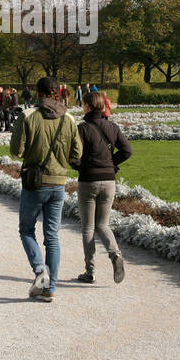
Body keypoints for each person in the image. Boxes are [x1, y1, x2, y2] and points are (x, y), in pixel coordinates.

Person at [9, 76, 82, 303]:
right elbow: (77, 154)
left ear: (37, 92)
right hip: (58, 183)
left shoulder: (28, 116)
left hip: (34, 183)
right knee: (52, 237)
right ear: (58, 92)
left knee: (27, 230)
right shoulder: (69, 119)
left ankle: (40, 269)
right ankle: (50, 288)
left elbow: (17, 151)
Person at [74, 91, 131, 285]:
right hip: (109, 181)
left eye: (83, 104)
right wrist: (110, 163)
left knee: (88, 227)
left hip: (88, 180)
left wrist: (81, 167)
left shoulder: (82, 128)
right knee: (103, 225)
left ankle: (90, 272)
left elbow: (75, 156)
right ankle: (115, 255)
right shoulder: (113, 127)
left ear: (88, 106)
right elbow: (127, 151)